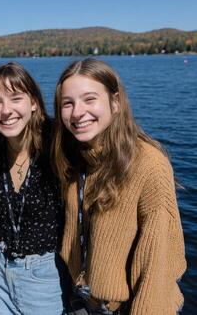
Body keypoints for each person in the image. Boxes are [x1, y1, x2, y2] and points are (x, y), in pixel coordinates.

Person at [52, 58, 186, 314]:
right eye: (68, 103)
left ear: (115, 103)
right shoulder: (77, 156)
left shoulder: (148, 164)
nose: (78, 112)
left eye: (90, 99)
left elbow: (156, 264)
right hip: (80, 299)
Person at [0, 62, 66, 315]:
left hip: (43, 275)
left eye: (16, 98)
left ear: (34, 102)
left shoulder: (57, 143)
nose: (6, 111)